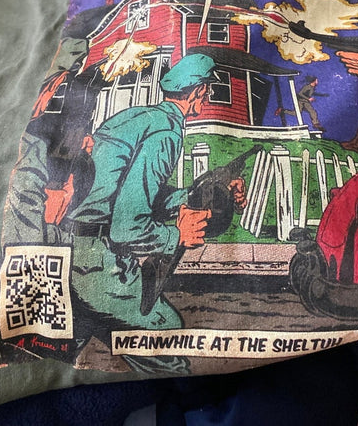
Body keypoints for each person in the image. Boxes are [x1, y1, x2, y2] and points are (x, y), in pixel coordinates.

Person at [61, 52, 239, 374]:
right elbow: (126, 228)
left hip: (70, 250)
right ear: (199, 91)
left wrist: (205, 194)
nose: (209, 96)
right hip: (96, 265)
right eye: (209, 90)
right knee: (167, 336)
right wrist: (177, 235)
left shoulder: (137, 118)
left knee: (66, 353)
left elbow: (130, 194)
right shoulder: (166, 132)